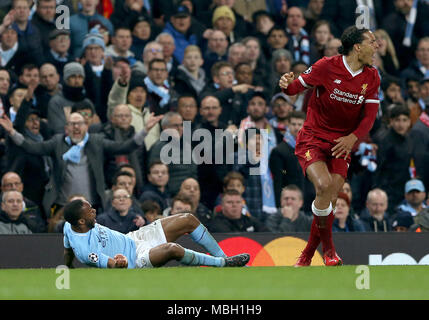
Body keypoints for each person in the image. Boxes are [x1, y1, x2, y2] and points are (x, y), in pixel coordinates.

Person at [279, 26, 380, 266]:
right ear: (357, 47)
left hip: (342, 144)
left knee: (330, 198)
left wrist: (353, 138)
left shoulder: (372, 76)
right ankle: (329, 252)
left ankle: (306, 255)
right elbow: (295, 88)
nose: (376, 46)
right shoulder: (326, 66)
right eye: (372, 42)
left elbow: (369, 116)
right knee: (323, 186)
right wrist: (285, 84)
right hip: (313, 137)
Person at [0, 111, 162, 218]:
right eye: (72, 124)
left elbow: (124, 147)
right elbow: (32, 147)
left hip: (92, 205)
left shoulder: (96, 141)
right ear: (66, 128)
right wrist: (12, 132)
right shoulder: (57, 142)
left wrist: (145, 130)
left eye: (80, 124)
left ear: (86, 126)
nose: (76, 127)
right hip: (61, 205)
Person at [63, 198, 250, 268]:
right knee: (172, 250)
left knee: (188, 219)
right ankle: (223, 264)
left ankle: (225, 258)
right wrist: (120, 262)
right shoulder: (87, 252)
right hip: (136, 259)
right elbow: (112, 264)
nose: (94, 211)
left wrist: (68, 265)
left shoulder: (69, 227)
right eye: (90, 212)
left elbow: (67, 248)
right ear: (81, 221)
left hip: (134, 238)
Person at [374, 104, 413, 212]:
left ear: (409, 122)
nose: (401, 124)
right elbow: (379, 170)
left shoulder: (409, 140)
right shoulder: (384, 141)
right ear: (391, 121)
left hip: (404, 191)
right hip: (388, 193)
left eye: (404, 120)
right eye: (397, 120)